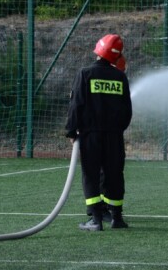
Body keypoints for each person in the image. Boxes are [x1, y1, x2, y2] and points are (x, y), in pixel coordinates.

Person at [65, 34, 132, 231]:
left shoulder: (85, 74)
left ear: (98, 49)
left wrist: (71, 130)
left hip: (90, 135)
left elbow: (76, 105)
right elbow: (127, 110)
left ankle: (95, 220)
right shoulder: (120, 77)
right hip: (114, 135)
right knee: (114, 174)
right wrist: (117, 130)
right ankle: (116, 218)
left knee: (91, 174)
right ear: (117, 56)